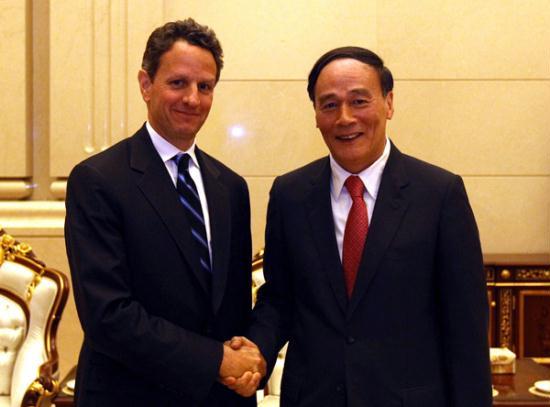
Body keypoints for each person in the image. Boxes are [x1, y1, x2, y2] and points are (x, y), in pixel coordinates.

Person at [241, 47, 492, 406]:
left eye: (359, 101)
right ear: (315, 114)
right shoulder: (290, 195)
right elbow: (280, 300)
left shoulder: (439, 195)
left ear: (389, 103)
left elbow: (465, 328)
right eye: (329, 105)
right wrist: (256, 352)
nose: (345, 118)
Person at [65, 19, 264, 407]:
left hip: (220, 399)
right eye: (178, 83)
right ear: (145, 84)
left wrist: (249, 361)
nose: (193, 98)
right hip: (130, 396)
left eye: (204, 86)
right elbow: (109, 316)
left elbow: (235, 308)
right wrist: (217, 360)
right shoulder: (98, 180)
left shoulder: (231, 187)